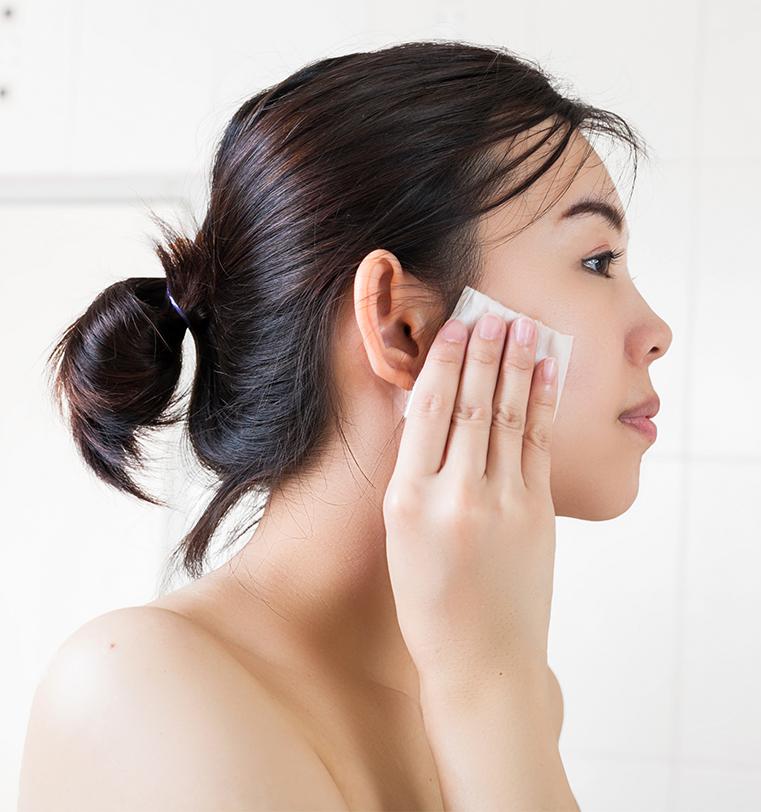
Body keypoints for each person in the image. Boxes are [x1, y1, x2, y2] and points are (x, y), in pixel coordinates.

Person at [19, 40, 672, 811]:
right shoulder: (138, 691)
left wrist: (495, 689)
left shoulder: (505, 690)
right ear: (400, 325)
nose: (656, 331)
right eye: (598, 261)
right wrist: (491, 696)